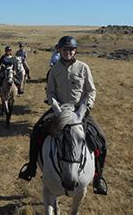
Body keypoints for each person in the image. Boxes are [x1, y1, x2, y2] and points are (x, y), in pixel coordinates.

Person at [18, 36, 108, 196]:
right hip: (59, 110)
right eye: (65, 49)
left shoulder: (83, 68)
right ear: (59, 50)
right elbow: (50, 91)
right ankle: (31, 167)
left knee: (100, 138)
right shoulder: (54, 70)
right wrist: (55, 106)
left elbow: (91, 90)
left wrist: (87, 106)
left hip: (80, 110)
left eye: (71, 49)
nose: (68, 52)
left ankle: (98, 177)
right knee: (37, 132)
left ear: (75, 51)